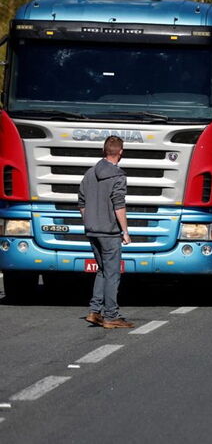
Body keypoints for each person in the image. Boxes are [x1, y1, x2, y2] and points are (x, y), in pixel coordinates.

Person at [79, 136, 134, 329]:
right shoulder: (118, 176)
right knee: (112, 273)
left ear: (104, 151)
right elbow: (119, 205)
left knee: (102, 270)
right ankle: (111, 315)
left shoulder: (89, 174)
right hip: (109, 232)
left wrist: (89, 223)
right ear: (120, 152)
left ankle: (95, 311)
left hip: (92, 230)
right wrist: (125, 231)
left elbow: (82, 203)